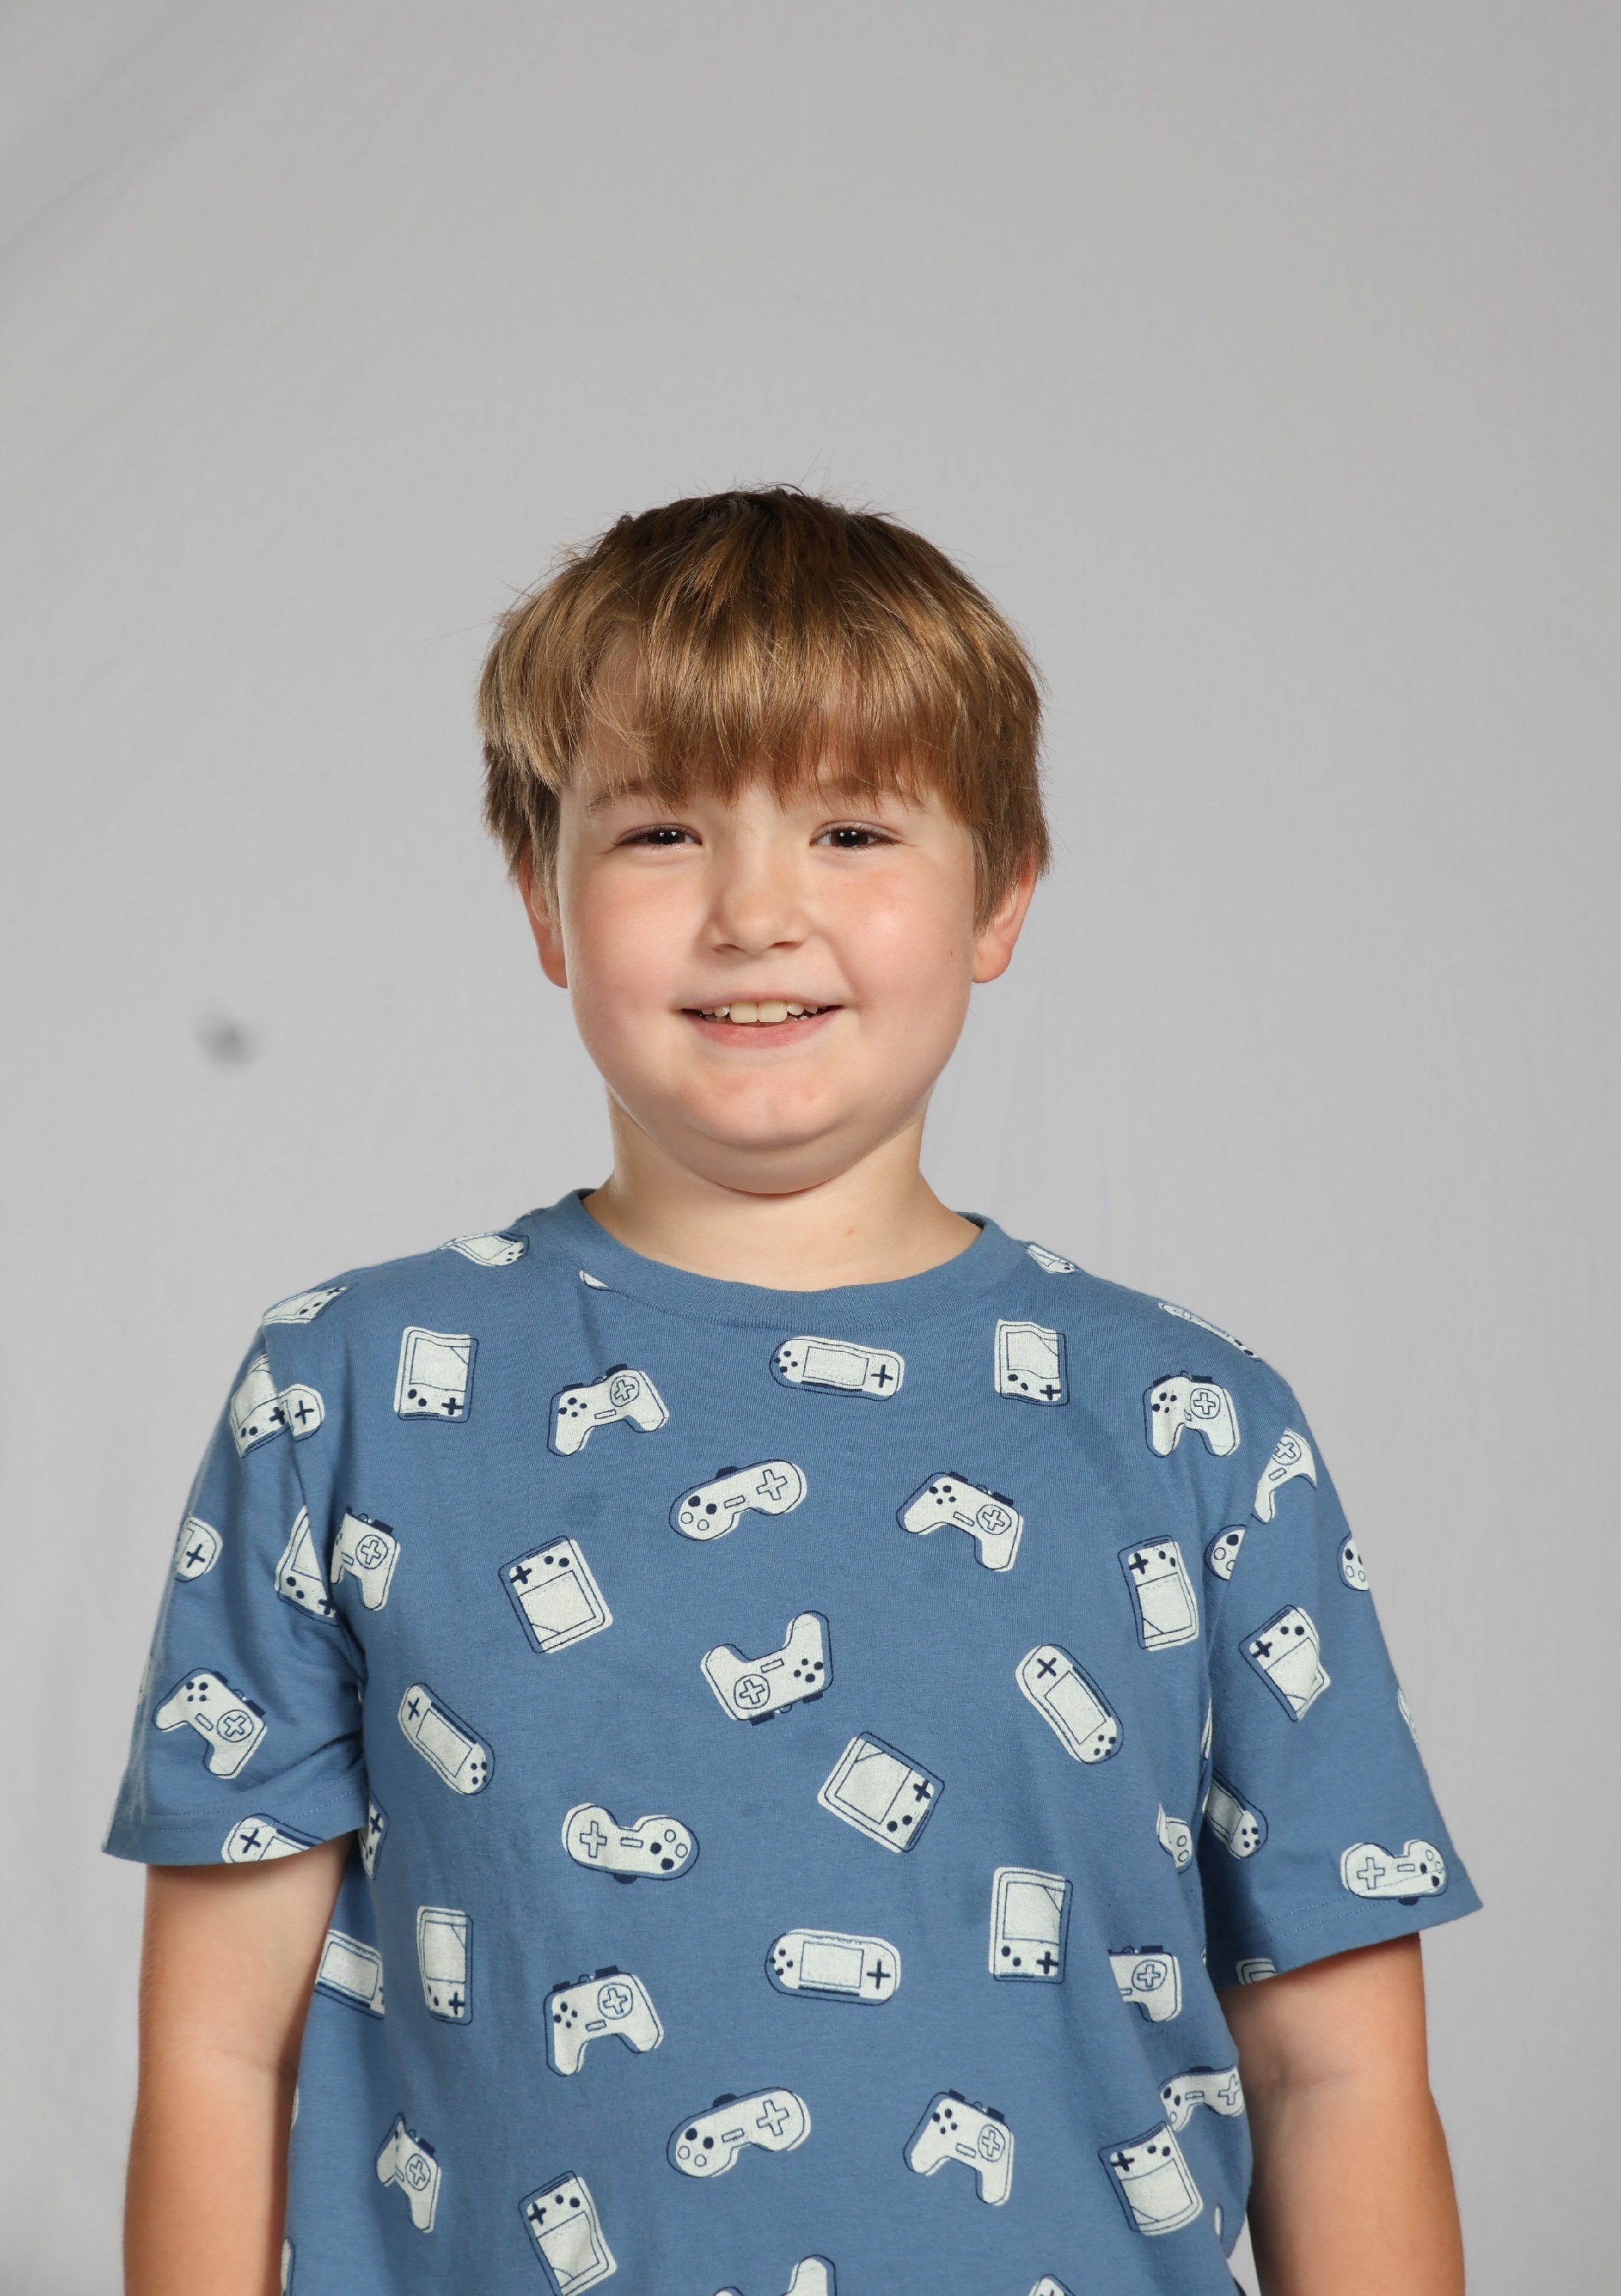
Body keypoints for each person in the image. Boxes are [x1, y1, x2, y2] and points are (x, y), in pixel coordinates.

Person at [109, 489, 1478, 2296]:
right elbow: (220, 2052)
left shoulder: (1195, 1427)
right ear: (542, 898)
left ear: (1001, 894)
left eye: (851, 829)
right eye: (662, 829)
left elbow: (1339, 2077)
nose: (756, 912)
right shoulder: (347, 1396)